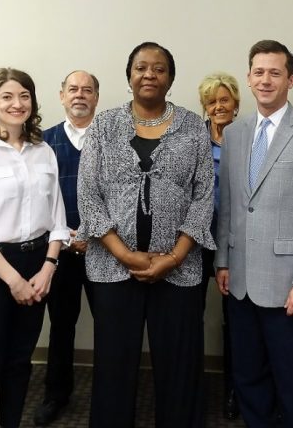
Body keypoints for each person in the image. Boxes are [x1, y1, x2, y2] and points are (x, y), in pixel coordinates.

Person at [77, 41, 214, 428]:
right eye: (141, 67)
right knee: (114, 364)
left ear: (170, 78)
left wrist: (172, 257)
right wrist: (125, 254)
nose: (149, 74)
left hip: (179, 268)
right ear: (129, 76)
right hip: (112, 267)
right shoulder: (104, 125)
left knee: (179, 365)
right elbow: (88, 195)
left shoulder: (192, 126)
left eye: (158, 68)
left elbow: (204, 196)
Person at [214, 40, 293, 428]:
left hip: (290, 288)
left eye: (275, 73)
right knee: (248, 375)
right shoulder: (234, 133)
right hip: (240, 281)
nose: (265, 80)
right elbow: (232, 204)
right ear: (249, 79)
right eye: (258, 72)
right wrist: (222, 262)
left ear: (291, 79)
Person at [0, 67, 70, 427]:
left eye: (24, 95)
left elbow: (58, 218)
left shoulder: (43, 151)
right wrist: (13, 280)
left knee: (21, 362)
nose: (16, 103)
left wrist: (48, 268)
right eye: (6, 96)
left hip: (38, 266)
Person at [33, 70, 98, 426]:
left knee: (111, 327)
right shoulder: (42, 143)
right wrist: (69, 236)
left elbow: (122, 195)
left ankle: (109, 395)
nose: (79, 95)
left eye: (87, 90)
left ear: (96, 98)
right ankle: (56, 394)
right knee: (60, 325)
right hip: (59, 250)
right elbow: (38, 198)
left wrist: (97, 236)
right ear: (61, 96)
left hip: (106, 251)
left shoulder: (112, 139)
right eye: (73, 89)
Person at [197, 71, 240, 420]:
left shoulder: (249, 139)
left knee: (235, 320)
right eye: (211, 101)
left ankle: (235, 391)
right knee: (191, 316)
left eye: (224, 99)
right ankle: (193, 390)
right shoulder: (194, 139)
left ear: (236, 104)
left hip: (236, 242)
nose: (218, 106)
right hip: (197, 241)